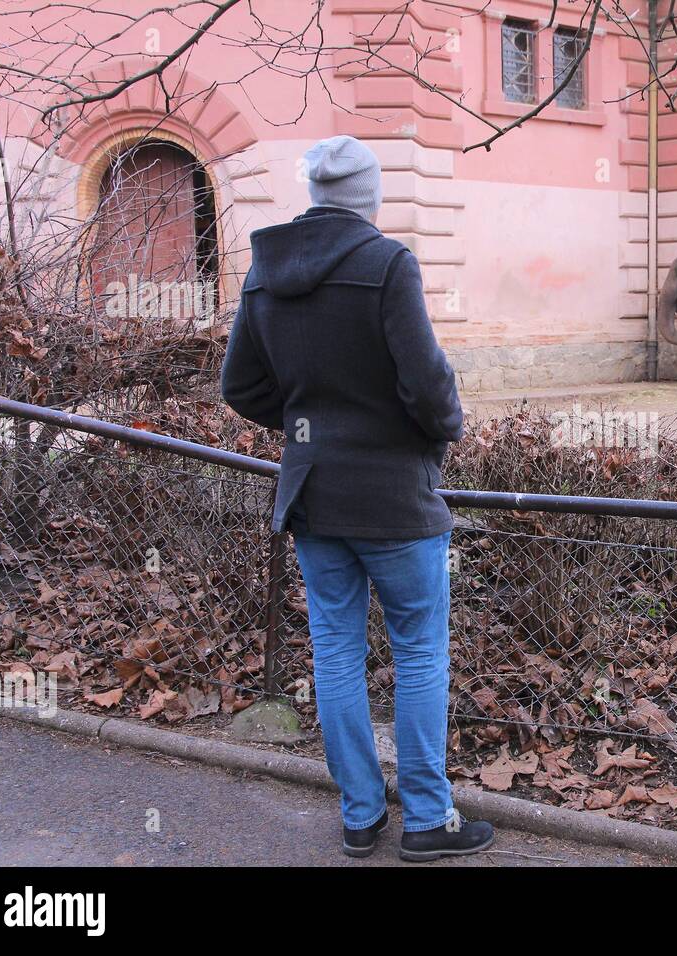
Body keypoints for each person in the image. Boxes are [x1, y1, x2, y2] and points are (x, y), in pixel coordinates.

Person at [221, 134, 493, 861]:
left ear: (315, 194)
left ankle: (361, 815)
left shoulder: (265, 270)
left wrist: (313, 428)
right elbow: (428, 385)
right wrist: (438, 433)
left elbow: (239, 388)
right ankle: (430, 821)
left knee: (336, 652)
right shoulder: (388, 263)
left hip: (313, 495)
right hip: (395, 498)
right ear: (369, 197)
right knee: (419, 653)